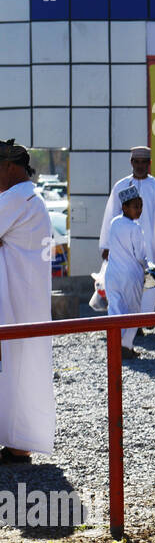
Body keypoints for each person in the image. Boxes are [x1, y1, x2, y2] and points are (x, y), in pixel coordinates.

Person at [0, 141, 56, 464]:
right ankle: (18, 444)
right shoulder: (35, 200)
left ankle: (18, 446)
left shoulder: (14, 199)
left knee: (13, 372)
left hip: (15, 305)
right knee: (23, 374)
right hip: (29, 303)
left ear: (10, 167)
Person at [99, 145, 155, 315]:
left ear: (149, 163)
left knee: (148, 282)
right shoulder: (121, 186)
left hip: (150, 244)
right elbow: (110, 215)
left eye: (144, 162)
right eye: (137, 162)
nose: (140, 166)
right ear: (131, 162)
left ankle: (144, 319)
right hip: (123, 248)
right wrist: (106, 245)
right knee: (126, 282)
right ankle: (129, 322)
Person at [104, 186, 150, 359]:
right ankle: (125, 346)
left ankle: (114, 346)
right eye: (135, 206)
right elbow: (140, 255)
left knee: (115, 311)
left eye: (140, 206)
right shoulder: (135, 228)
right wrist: (149, 268)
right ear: (124, 207)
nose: (139, 210)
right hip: (131, 275)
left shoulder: (114, 222)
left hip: (112, 274)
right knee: (133, 312)